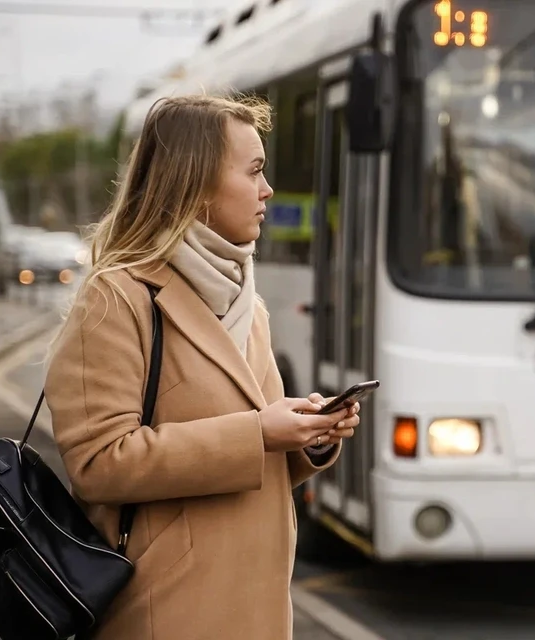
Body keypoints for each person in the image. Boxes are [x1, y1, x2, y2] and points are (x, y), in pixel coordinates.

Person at [43, 94, 360, 640]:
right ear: (194, 184)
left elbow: (257, 452)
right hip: (166, 607)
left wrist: (307, 437)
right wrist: (259, 432)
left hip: (256, 606)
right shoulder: (117, 297)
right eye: (255, 171)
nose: (269, 190)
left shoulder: (248, 304)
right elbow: (98, 463)